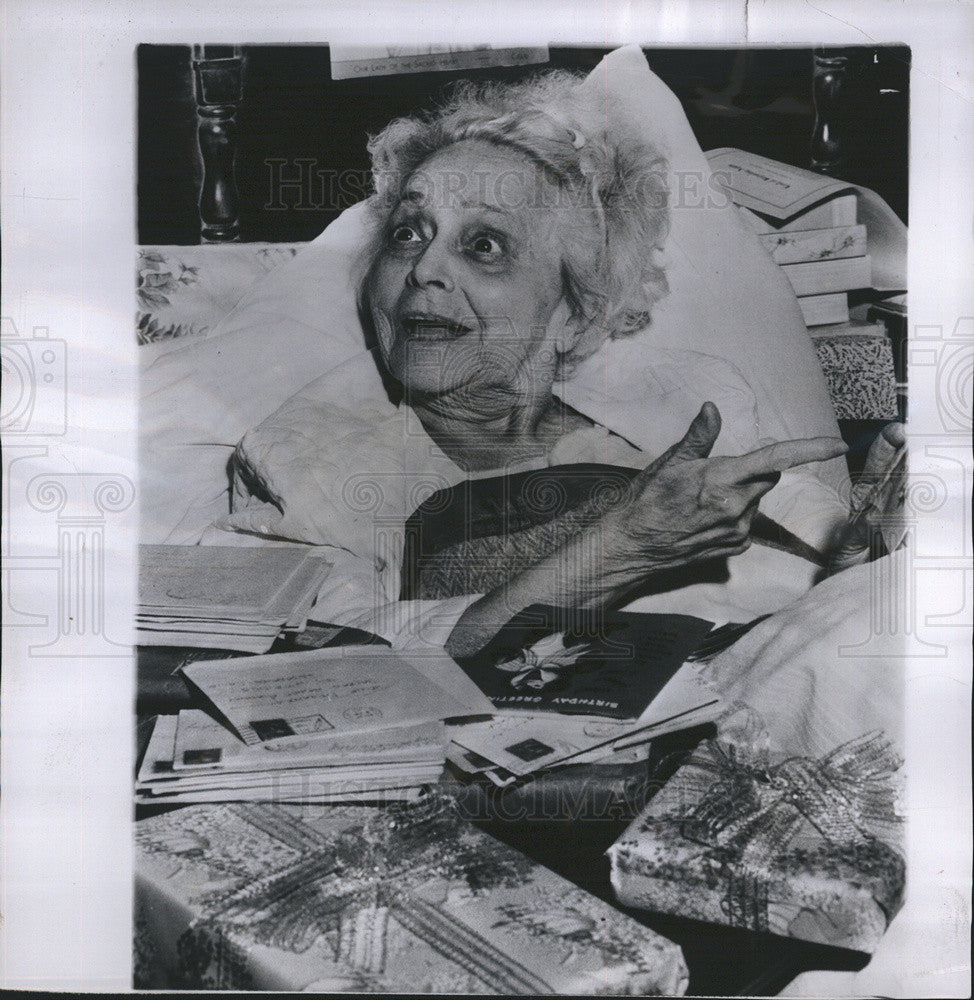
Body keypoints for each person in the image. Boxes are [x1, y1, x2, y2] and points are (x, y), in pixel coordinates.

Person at [224, 71, 900, 658]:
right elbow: (348, 666)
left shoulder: (687, 405)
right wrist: (623, 549)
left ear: (575, 314)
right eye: (408, 233)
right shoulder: (304, 457)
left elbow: (817, 612)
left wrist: (860, 559)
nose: (425, 270)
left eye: (484, 245)